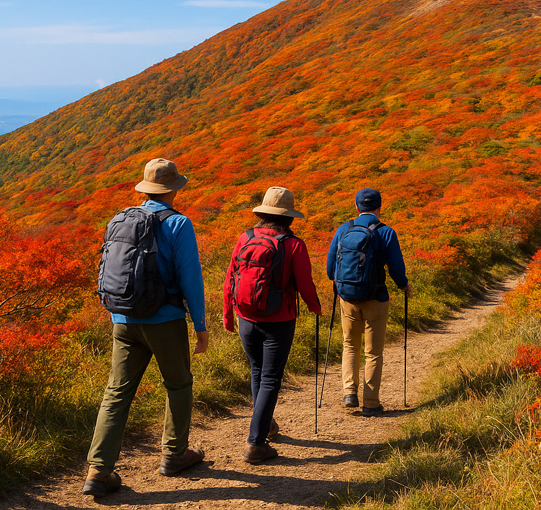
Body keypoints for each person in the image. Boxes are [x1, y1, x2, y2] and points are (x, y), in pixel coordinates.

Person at [83, 158, 209, 497]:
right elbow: (190, 279)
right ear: (173, 189)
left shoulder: (120, 218)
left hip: (122, 319)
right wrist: (200, 324)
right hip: (164, 319)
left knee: (117, 392)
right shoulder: (179, 224)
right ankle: (175, 454)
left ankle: (98, 470)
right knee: (179, 384)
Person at [224, 186, 322, 464]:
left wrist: (228, 315)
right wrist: (315, 307)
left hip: (246, 317)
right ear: (289, 218)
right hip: (279, 319)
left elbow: (231, 276)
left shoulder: (245, 237)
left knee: (257, 372)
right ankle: (255, 444)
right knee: (270, 378)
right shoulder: (294, 245)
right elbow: (304, 283)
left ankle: (265, 426)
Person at [327, 188, 411, 416]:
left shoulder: (344, 229)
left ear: (356, 207)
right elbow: (396, 268)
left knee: (350, 345)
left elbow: (329, 269)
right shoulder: (386, 232)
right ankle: (371, 404)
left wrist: (343, 285)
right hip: (376, 298)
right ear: (380, 207)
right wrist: (404, 285)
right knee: (373, 352)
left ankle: (349, 393)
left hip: (348, 298)